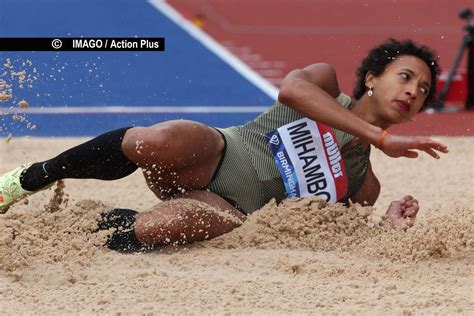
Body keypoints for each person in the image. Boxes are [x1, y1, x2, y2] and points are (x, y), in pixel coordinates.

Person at [0, 39, 449, 252]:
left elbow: (338, 236)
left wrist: (388, 227)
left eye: (424, 91)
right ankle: (26, 180)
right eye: (405, 77)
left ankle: (70, 234)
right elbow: (291, 93)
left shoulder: (365, 183)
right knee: (156, 139)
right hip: (216, 152)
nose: (413, 91)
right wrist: (381, 137)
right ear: (372, 78)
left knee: (155, 230)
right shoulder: (326, 84)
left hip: (226, 207)